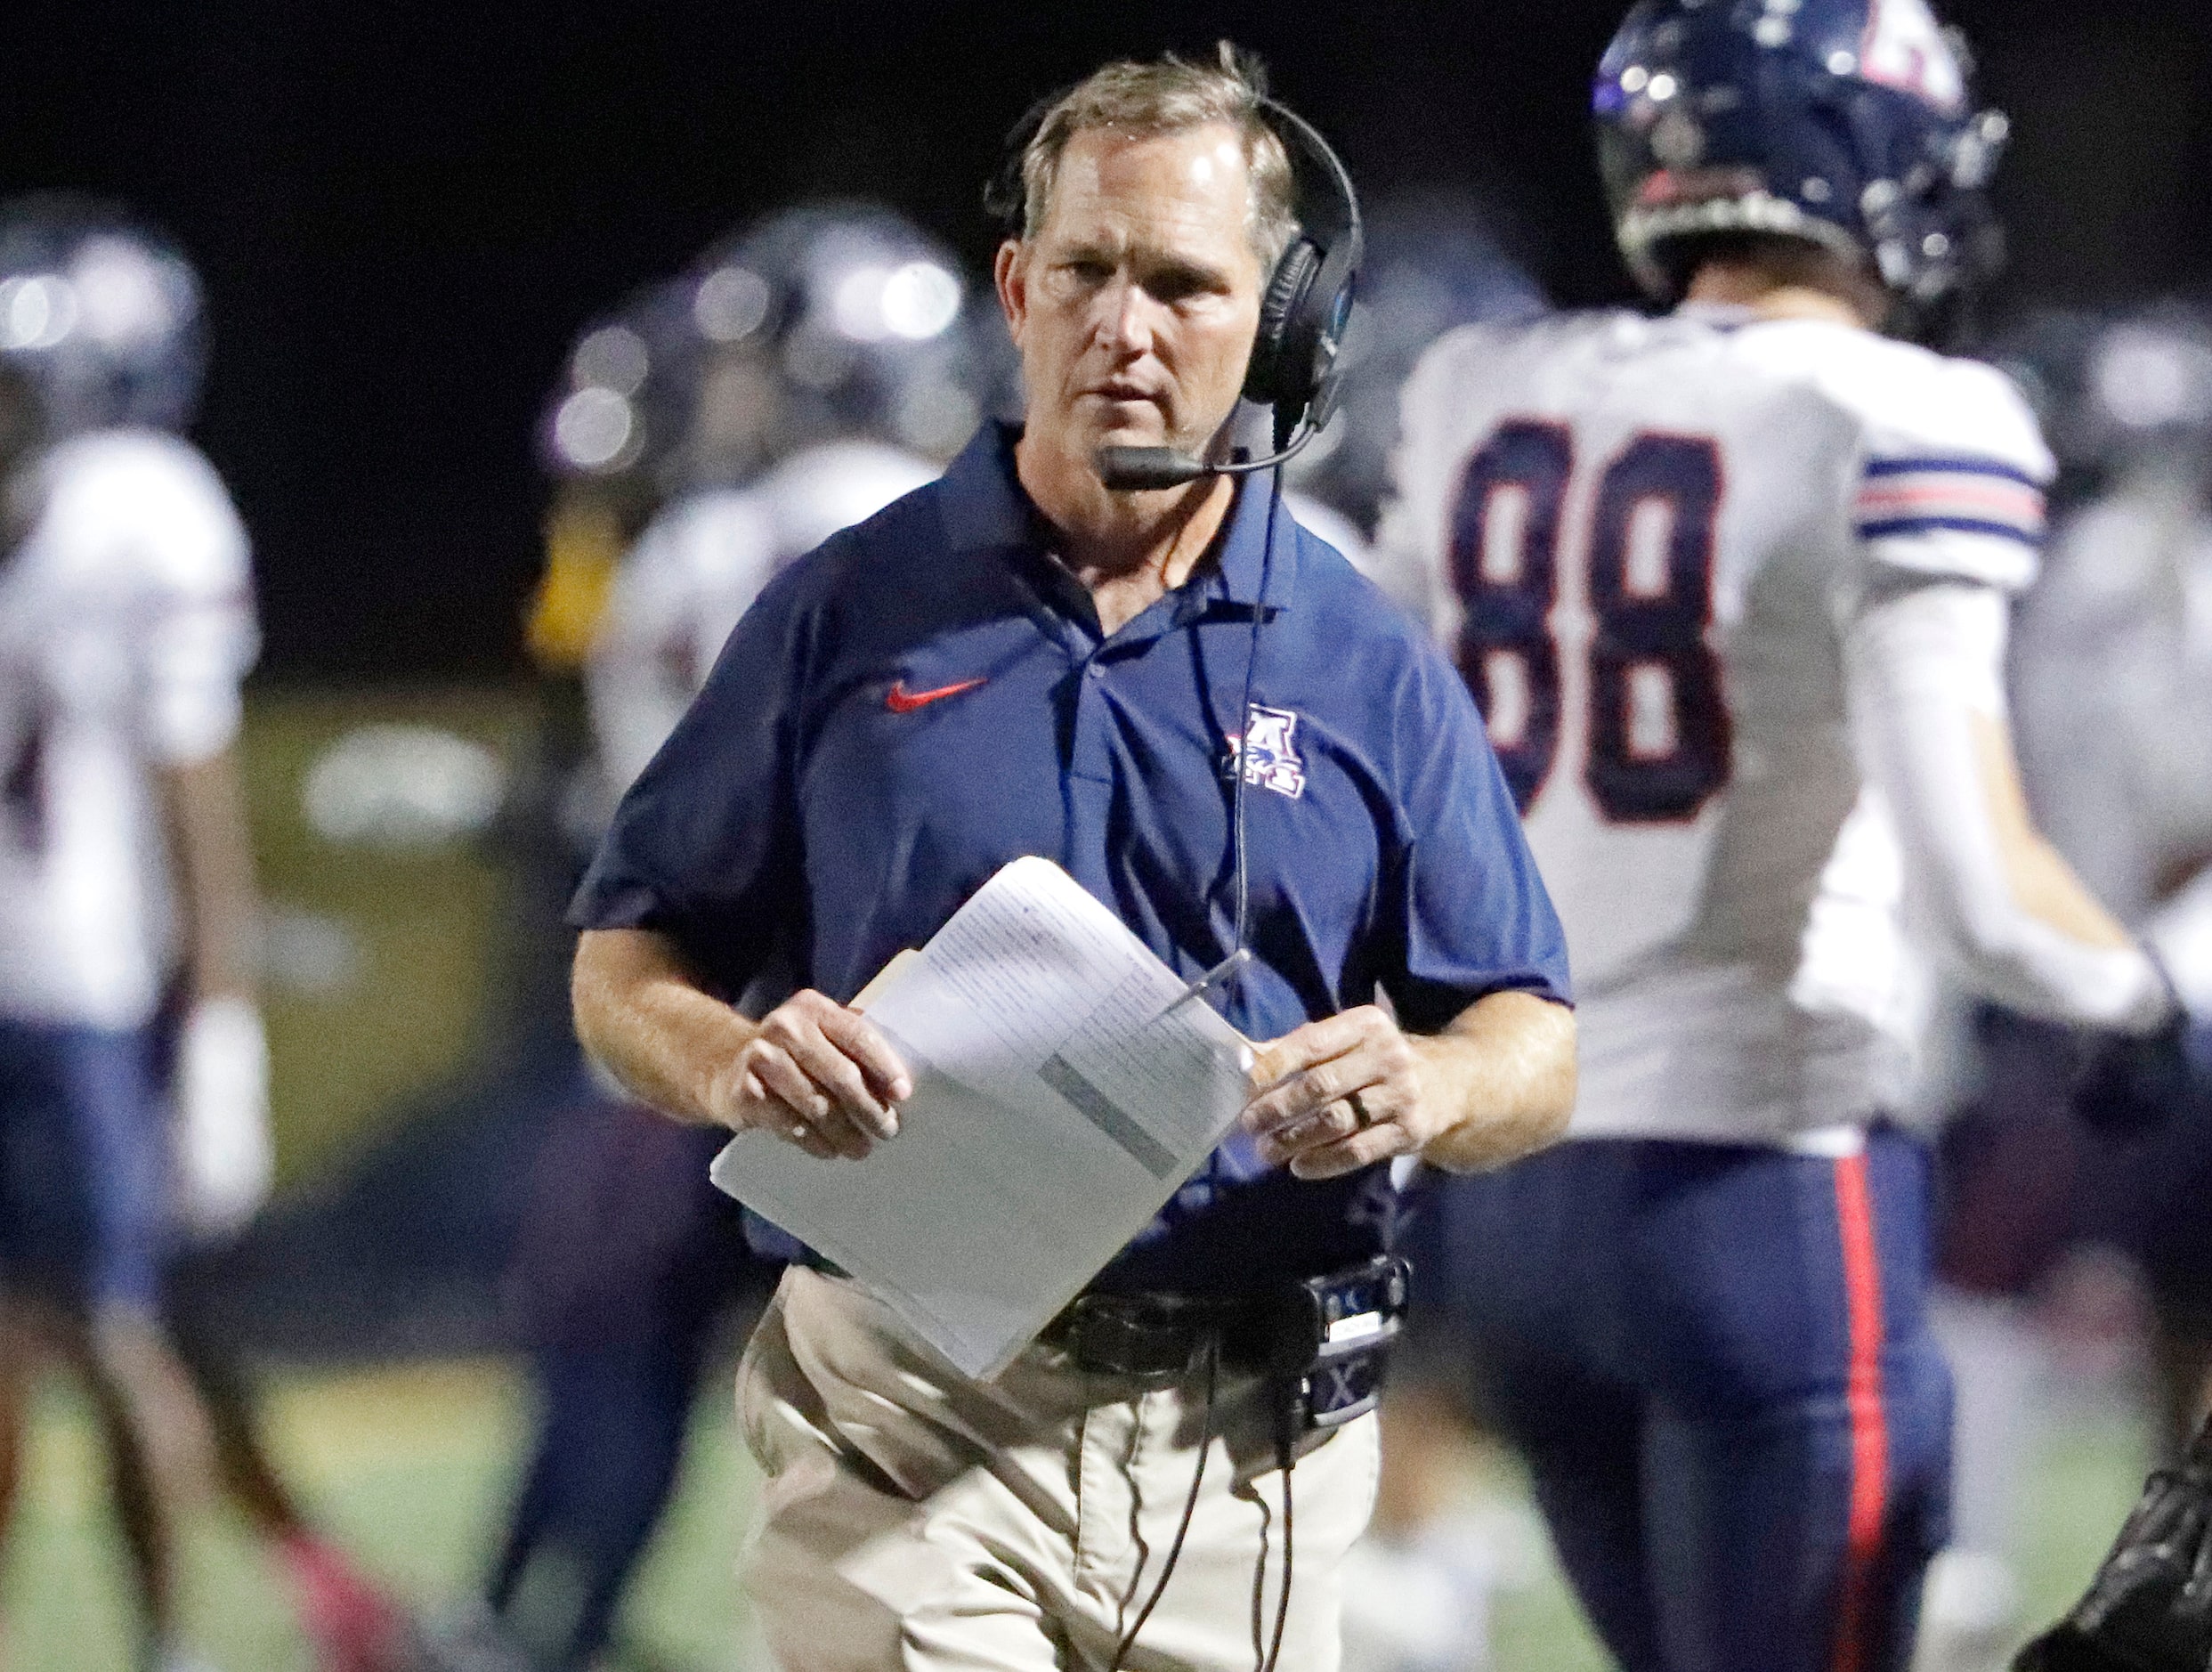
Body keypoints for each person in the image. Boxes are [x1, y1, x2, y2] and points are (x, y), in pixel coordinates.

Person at [567, 44, 1576, 1672]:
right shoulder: (846, 607)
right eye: (1088, 273)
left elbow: (1533, 1035)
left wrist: (1432, 1086)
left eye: (1181, 283)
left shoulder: (1357, 650)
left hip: (1251, 1444)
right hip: (902, 1401)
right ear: (1016, 289)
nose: (1125, 326)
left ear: (1281, 322)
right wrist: (737, 1057)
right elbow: (625, 963)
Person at [1369, 3, 2184, 1668]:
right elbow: (1979, 886)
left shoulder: (1483, 384)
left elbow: (1381, 753)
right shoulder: (1905, 411)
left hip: (1506, 1199)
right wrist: (2134, 1007)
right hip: (1759, 1186)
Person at [442, 206, 990, 1672]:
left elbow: (637, 798)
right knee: (909, 1403)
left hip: (688, 1017)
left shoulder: (689, 544)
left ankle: (531, 1624)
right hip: (905, 1036)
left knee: (613, 1354)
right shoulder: (970, 535)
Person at [0, 197, 403, 1672]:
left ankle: (222, 1627)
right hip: (55, 988)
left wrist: (214, 1029)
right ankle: (325, 1599)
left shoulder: (138, 504)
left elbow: (194, 791)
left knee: (127, 1339)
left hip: (93, 999)